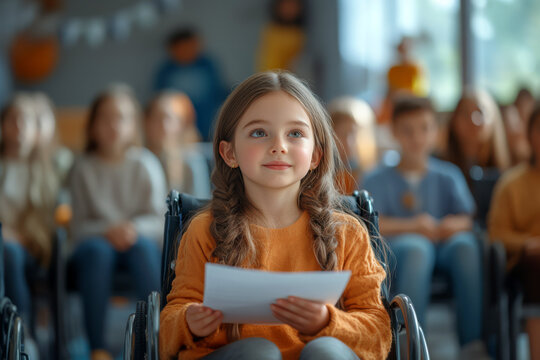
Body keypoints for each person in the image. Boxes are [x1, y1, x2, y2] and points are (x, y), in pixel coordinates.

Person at [159, 71, 391, 360]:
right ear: (229, 153)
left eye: (295, 133)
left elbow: (379, 335)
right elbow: (166, 331)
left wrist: (326, 323)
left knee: (326, 352)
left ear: (315, 156)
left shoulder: (347, 233)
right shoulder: (205, 230)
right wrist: (188, 321)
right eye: (259, 132)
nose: (279, 146)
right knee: (261, 353)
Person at [363, 97, 487, 357]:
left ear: (435, 132)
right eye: (407, 130)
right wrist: (415, 226)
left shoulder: (448, 174)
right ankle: (412, 348)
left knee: (466, 245)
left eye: (424, 128)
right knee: (417, 248)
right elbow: (373, 222)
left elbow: (467, 217)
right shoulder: (376, 178)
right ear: (394, 132)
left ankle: (472, 346)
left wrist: (449, 225)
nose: (416, 137)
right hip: (398, 251)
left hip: (444, 244)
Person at [68, 87, 167, 360]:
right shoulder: (82, 168)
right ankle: (97, 348)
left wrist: (132, 229)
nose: (113, 125)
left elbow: (160, 222)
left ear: (133, 124)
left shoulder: (146, 163)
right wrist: (108, 231)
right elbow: (77, 228)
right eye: (105, 118)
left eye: (121, 117)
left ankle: (157, 339)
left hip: (137, 242)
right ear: (92, 125)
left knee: (144, 248)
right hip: (94, 247)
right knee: (98, 251)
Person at [488, 104, 540, 359]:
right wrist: (529, 243)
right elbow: (496, 234)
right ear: (530, 134)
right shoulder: (512, 183)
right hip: (527, 264)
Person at [154, 27, 227, 141]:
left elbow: (219, 93)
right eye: (182, 47)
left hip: (209, 128)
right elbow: (160, 100)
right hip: (177, 130)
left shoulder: (207, 66)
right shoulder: (166, 71)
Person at [144, 91, 211, 198]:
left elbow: (200, 206)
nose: (163, 126)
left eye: (169, 119)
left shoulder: (192, 160)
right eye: (157, 119)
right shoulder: (141, 159)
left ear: (182, 125)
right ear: (146, 122)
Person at [445, 89, 511, 185]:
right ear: (454, 120)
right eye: (465, 113)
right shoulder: (442, 171)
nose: (473, 120)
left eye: (480, 113)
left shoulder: (506, 178)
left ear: (494, 119)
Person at [328, 96, 377, 194]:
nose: (349, 142)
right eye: (341, 134)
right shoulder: (323, 174)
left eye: (355, 134)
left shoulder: (373, 175)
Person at [257, 0, 305, 72]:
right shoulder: (271, 31)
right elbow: (268, 61)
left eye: (293, 5)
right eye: (286, 5)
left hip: (293, 78)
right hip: (275, 77)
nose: (290, 9)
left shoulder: (299, 34)